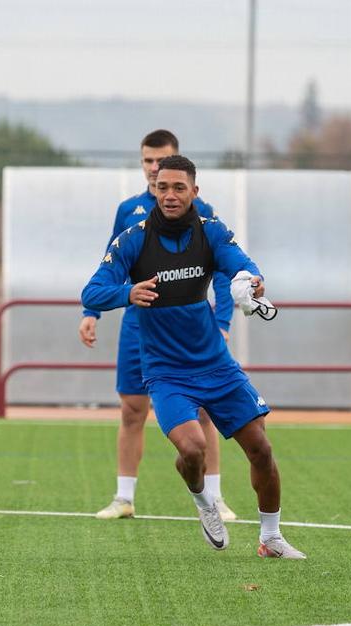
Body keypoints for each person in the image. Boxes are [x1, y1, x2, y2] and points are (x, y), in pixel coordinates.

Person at [81, 155, 304, 558]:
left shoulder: (211, 233)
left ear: (194, 192)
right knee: (192, 449)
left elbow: (244, 266)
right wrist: (126, 293)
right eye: (162, 187)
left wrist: (250, 283)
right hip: (166, 373)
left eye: (178, 188)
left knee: (262, 450)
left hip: (216, 365)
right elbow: (91, 292)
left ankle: (271, 538)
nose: (169, 195)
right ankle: (205, 503)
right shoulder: (133, 239)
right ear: (153, 189)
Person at [79, 130, 236, 522]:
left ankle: (214, 498)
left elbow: (223, 268)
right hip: (139, 325)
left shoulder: (203, 212)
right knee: (132, 409)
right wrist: (92, 313)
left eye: (160, 161)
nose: (152, 169)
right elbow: (109, 267)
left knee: (202, 410)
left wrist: (223, 320)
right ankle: (123, 497)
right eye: (147, 161)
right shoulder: (129, 211)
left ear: (176, 163)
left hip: (190, 328)